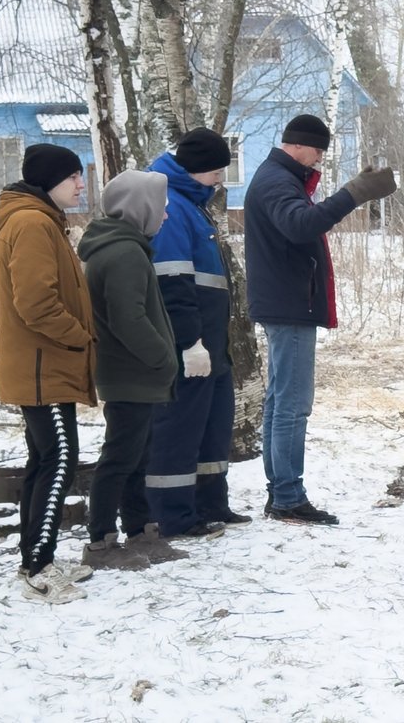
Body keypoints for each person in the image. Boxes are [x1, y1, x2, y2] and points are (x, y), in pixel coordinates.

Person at [244, 114, 395, 525]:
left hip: (284, 301)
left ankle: (281, 493)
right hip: (289, 305)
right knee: (292, 405)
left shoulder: (276, 176)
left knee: (279, 402)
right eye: (318, 150)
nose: (320, 158)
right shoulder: (277, 180)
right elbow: (300, 225)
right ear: (298, 144)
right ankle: (288, 498)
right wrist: (353, 194)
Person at [0, 143, 95, 603]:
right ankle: (38, 565)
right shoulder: (33, 223)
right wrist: (80, 337)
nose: (81, 184)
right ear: (50, 181)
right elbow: (36, 303)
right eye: (73, 176)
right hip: (43, 366)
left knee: (44, 461)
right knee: (59, 462)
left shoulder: (41, 220)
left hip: (45, 364)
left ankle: (38, 555)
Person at [78, 170, 188, 570]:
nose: (166, 215)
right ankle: (101, 542)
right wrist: (164, 357)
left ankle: (140, 532)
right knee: (120, 458)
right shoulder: (123, 252)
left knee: (137, 456)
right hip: (131, 373)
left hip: (134, 373)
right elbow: (129, 319)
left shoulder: (128, 247)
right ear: (141, 207)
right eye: (161, 207)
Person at [146, 128, 248, 537]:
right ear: (197, 169)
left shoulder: (194, 202)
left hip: (212, 339)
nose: (221, 179)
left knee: (213, 423)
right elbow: (173, 283)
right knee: (181, 426)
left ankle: (210, 502)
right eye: (217, 171)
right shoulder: (170, 205)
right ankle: (173, 513)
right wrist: (190, 342)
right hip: (191, 340)